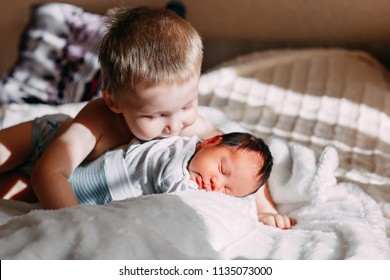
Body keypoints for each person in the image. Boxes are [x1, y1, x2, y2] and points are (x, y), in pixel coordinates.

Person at [0, 6, 221, 210]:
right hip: (41, 140)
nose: (174, 124)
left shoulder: (193, 126)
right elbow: (49, 171)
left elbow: (242, 151)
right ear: (114, 102)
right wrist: (75, 223)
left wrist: (258, 210)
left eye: (187, 105)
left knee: (10, 193)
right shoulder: (98, 118)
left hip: (65, 180)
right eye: (156, 115)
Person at [0, 114, 294, 229]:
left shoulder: (217, 167)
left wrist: (264, 208)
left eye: (227, 189)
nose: (217, 183)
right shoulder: (187, 129)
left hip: (51, 184)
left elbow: (247, 182)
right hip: (51, 139)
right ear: (211, 142)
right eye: (221, 169)